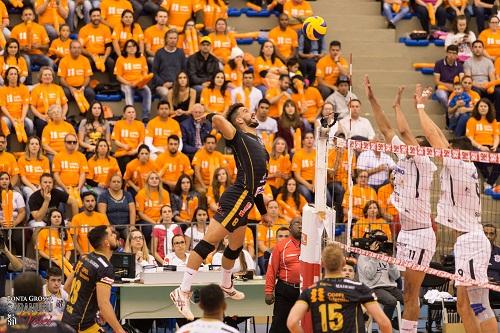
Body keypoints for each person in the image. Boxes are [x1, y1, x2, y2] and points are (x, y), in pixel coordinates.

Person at [170, 103, 271, 320]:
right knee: (208, 243)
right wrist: (210, 115)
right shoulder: (238, 135)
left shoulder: (258, 142)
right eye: (245, 111)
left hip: (248, 200)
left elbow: (259, 185)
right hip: (237, 197)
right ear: (239, 121)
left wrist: (262, 211)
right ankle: (182, 291)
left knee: (235, 246)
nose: (251, 112)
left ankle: (226, 284)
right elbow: (217, 121)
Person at [415, 84, 497, 333]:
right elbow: (439, 138)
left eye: (452, 149)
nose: (447, 151)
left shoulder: (461, 165)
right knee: (474, 304)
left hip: (471, 242)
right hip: (470, 241)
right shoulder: (465, 166)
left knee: (469, 304)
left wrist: (419, 106)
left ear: (460, 153)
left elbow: (434, 137)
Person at [364, 78, 438, 333]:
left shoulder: (426, 163)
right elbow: (386, 130)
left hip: (420, 234)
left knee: (410, 293)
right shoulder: (405, 157)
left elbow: (405, 133)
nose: (407, 146)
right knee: (407, 292)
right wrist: (372, 98)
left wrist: (400, 107)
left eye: (413, 145)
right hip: (405, 233)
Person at [286, 244, 392, 333]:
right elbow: (384, 323)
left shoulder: (311, 291)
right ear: (343, 263)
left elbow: (292, 322)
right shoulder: (359, 289)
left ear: (322, 263)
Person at [62, 225, 127, 333]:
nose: (115, 235)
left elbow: (67, 286)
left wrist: (90, 308)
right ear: (106, 243)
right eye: (111, 234)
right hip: (81, 326)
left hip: (68, 318)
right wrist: (120, 330)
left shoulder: (85, 257)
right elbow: (104, 304)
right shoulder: (105, 268)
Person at [265, 218, 301, 333]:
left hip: (305, 291)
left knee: (303, 325)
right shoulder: (281, 246)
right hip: (285, 290)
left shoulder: (312, 246)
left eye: (303, 223)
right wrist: (268, 291)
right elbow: (272, 269)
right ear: (290, 228)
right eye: (297, 223)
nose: (300, 226)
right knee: (279, 326)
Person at [357, 229, 402, 322]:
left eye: (382, 241)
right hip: (373, 287)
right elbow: (369, 275)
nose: (380, 243)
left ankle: (396, 322)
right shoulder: (364, 256)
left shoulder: (385, 254)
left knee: (415, 302)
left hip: (390, 287)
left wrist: (391, 263)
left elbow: (396, 277)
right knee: (391, 301)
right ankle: (384, 327)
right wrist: (374, 257)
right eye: (378, 240)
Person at [115, 39, 152, 122]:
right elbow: (118, 76)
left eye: (134, 46)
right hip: (126, 83)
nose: (132, 48)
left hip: (139, 83)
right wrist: (129, 83)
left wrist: (140, 81)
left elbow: (145, 73)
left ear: (137, 47)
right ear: (125, 49)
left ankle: (145, 116)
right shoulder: (121, 59)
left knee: (147, 91)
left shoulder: (142, 58)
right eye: (129, 46)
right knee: (128, 91)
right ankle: (130, 115)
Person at [465, 98, 499, 190]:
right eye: (481, 106)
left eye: (485, 106)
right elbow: (470, 138)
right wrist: (481, 146)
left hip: (491, 147)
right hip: (478, 147)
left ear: (489, 108)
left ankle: (489, 183)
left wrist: (495, 145)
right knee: (476, 156)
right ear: (477, 108)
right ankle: (489, 180)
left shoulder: (493, 121)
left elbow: (496, 136)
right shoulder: (472, 120)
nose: (483, 108)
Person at [11, 7, 54, 71]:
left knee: (50, 62)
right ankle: (29, 81)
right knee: (27, 61)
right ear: (22, 17)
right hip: (23, 54)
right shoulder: (16, 29)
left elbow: (47, 46)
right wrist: (22, 48)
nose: (28, 16)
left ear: (33, 17)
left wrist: (39, 46)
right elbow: (11, 46)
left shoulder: (40, 28)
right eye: (26, 15)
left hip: (37, 54)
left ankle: (49, 80)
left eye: (30, 14)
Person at [30, 67, 68, 138]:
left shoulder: (58, 88)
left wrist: (62, 115)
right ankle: (41, 144)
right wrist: (41, 116)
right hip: (42, 116)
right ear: (41, 77)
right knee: (41, 124)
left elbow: (65, 104)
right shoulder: (36, 89)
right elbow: (32, 106)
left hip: (58, 115)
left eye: (49, 75)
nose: (48, 76)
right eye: (45, 75)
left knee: (68, 123)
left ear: (52, 77)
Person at [69, 192, 110, 256]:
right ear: (83, 203)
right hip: (84, 254)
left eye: (92, 201)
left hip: (100, 254)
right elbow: (74, 240)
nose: (90, 203)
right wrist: (82, 254)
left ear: (95, 202)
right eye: (87, 201)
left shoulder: (102, 217)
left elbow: (107, 236)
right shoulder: (76, 218)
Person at [97, 173, 136, 240]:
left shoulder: (128, 194)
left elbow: (132, 211)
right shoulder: (103, 196)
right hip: (111, 226)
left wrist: (132, 226)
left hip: (126, 226)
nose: (116, 183)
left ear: (121, 184)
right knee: (113, 240)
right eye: (114, 181)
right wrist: (109, 226)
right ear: (109, 183)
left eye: (118, 182)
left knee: (133, 237)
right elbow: (102, 213)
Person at [37, 208, 74, 276]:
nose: (57, 218)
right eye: (54, 217)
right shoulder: (43, 232)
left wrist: (66, 259)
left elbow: (69, 249)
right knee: (58, 270)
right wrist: (52, 259)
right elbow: (40, 251)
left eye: (59, 217)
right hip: (47, 259)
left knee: (73, 270)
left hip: (62, 259)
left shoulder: (66, 232)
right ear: (50, 219)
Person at [58, 40, 95, 107]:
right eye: (74, 48)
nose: (76, 50)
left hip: (82, 87)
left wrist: (83, 87)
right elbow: (61, 79)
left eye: (78, 48)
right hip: (68, 88)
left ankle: (87, 115)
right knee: (64, 93)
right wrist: (70, 88)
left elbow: (87, 77)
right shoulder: (63, 61)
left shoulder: (85, 60)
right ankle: (66, 115)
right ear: (70, 49)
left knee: (90, 93)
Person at [135, 171, 170, 242]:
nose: (154, 180)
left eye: (156, 178)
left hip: (162, 219)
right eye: (152, 178)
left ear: (159, 181)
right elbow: (140, 214)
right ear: (147, 181)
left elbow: (167, 210)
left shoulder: (165, 193)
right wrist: (154, 223)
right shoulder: (141, 193)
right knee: (149, 227)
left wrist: (160, 220)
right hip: (146, 220)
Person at [78, 8, 114, 77]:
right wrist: (91, 55)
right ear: (90, 17)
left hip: (102, 55)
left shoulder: (106, 29)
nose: (96, 18)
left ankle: (113, 84)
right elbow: (80, 48)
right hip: (90, 55)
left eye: (98, 16)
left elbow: (109, 46)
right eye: (94, 16)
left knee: (111, 62)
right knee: (87, 63)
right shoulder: (83, 30)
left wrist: (105, 57)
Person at [0, 67, 33, 140]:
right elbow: (3, 107)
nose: (13, 76)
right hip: (7, 116)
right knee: (5, 122)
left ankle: (26, 148)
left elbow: (25, 105)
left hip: (20, 117)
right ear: (7, 77)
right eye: (11, 74)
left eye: (15, 74)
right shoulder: (2, 90)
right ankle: (6, 147)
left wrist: (22, 118)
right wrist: (11, 119)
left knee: (30, 124)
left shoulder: (24, 88)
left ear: (18, 76)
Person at [152, 29, 186, 100]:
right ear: (166, 39)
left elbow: (184, 71)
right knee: (166, 93)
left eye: (175, 38)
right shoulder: (159, 53)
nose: (173, 40)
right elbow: (154, 73)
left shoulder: (181, 53)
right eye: (170, 38)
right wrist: (163, 83)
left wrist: (176, 83)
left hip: (177, 85)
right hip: (162, 85)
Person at [111, 105, 146, 173]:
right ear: (124, 114)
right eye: (129, 112)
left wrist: (136, 151)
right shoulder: (118, 124)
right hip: (123, 152)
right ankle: (125, 181)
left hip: (136, 152)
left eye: (133, 112)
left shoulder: (140, 125)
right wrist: (124, 146)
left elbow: (141, 142)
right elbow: (115, 140)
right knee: (126, 160)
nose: (131, 114)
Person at [256, 200, 287, 274]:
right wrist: (272, 254)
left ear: (278, 209)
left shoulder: (284, 223)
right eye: (271, 207)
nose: (273, 209)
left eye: (275, 207)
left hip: (283, 253)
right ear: (266, 209)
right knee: (266, 262)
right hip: (266, 254)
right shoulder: (262, 224)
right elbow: (260, 245)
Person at [18, 136, 51, 200]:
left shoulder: (45, 160)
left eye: (36, 144)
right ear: (28, 146)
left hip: (42, 185)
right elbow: (23, 178)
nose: (34, 146)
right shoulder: (21, 160)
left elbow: (46, 176)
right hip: (27, 186)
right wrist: (33, 187)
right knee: (31, 194)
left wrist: (40, 186)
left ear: (39, 147)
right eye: (32, 144)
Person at [434, 45, 464, 112]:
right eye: (450, 53)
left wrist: (455, 87)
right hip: (442, 87)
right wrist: (448, 86)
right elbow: (436, 81)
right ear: (447, 53)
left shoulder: (460, 65)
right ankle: (449, 111)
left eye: (454, 53)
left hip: (455, 88)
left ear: (457, 55)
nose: (451, 55)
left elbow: (462, 80)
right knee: (442, 96)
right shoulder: (439, 63)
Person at [292, 132, 316, 202]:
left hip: (316, 182)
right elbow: (297, 176)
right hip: (303, 182)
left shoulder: (318, 153)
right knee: (306, 193)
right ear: (303, 141)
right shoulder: (298, 155)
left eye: (311, 138)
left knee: (327, 197)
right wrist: (309, 185)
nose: (309, 140)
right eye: (307, 138)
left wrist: (314, 184)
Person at [483, 224, 500, 303]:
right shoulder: (474, 252)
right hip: (480, 287)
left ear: (495, 236)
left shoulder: (498, 251)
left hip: (497, 288)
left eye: (491, 234)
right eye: (485, 233)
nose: (488, 236)